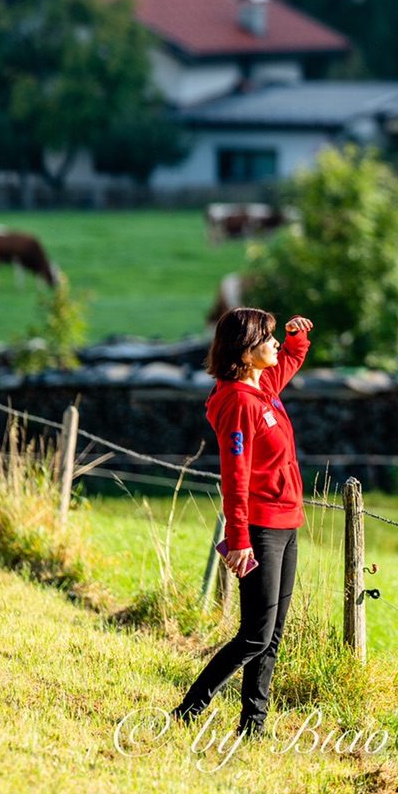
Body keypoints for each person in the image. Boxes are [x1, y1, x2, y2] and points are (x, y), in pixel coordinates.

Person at [171, 306, 314, 738]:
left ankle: (253, 726)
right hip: (260, 529)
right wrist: (239, 539)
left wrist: (296, 339)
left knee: (272, 635)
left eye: (273, 337)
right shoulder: (237, 402)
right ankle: (189, 710)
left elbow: (287, 361)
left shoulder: (261, 387)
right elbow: (234, 479)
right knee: (254, 634)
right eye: (267, 338)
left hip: (287, 523)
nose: (274, 343)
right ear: (245, 352)